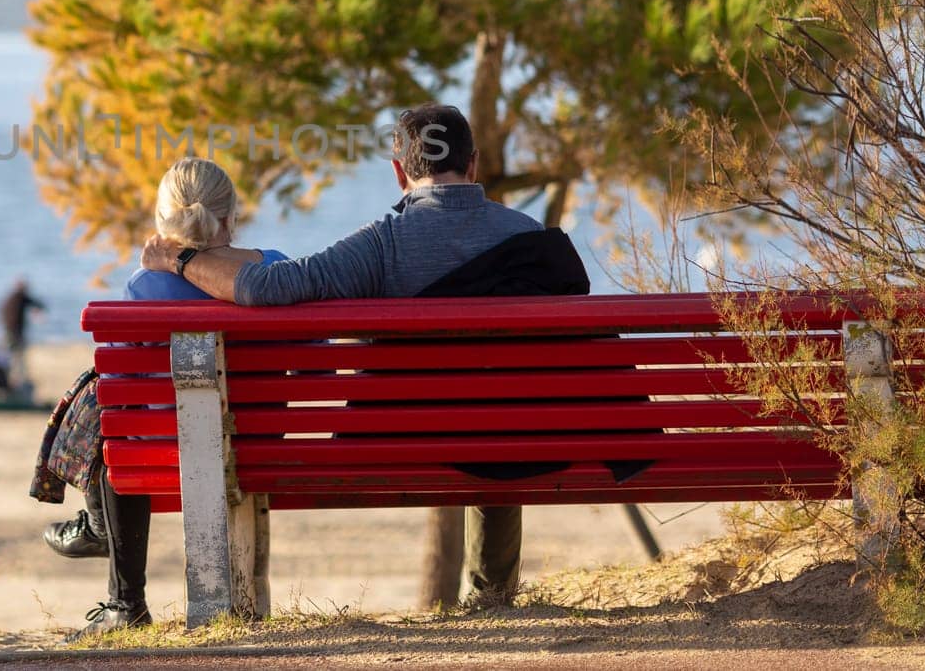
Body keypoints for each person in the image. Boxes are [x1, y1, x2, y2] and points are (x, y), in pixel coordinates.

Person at [139, 104, 589, 607]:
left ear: (400, 172)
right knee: (503, 408)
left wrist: (180, 259)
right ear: (474, 163)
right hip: (521, 439)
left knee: (480, 414)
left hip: (399, 441)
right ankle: (492, 592)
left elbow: (269, 285)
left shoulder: (382, 244)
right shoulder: (530, 235)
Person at [31, 157, 287, 638]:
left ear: (164, 223)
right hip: (264, 445)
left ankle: (124, 602)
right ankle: (100, 537)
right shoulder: (274, 267)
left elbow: (119, 373)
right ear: (231, 218)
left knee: (111, 442)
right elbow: (313, 351)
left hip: (166, 454)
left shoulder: (145, 285)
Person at [0, 278, 46, 393]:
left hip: (8, 332)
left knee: (9, 357)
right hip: (15, 334)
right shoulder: (20, 297)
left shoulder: (11, 298)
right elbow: (38, 304)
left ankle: (12, 380)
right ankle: (18, 381)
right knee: (18, 358)